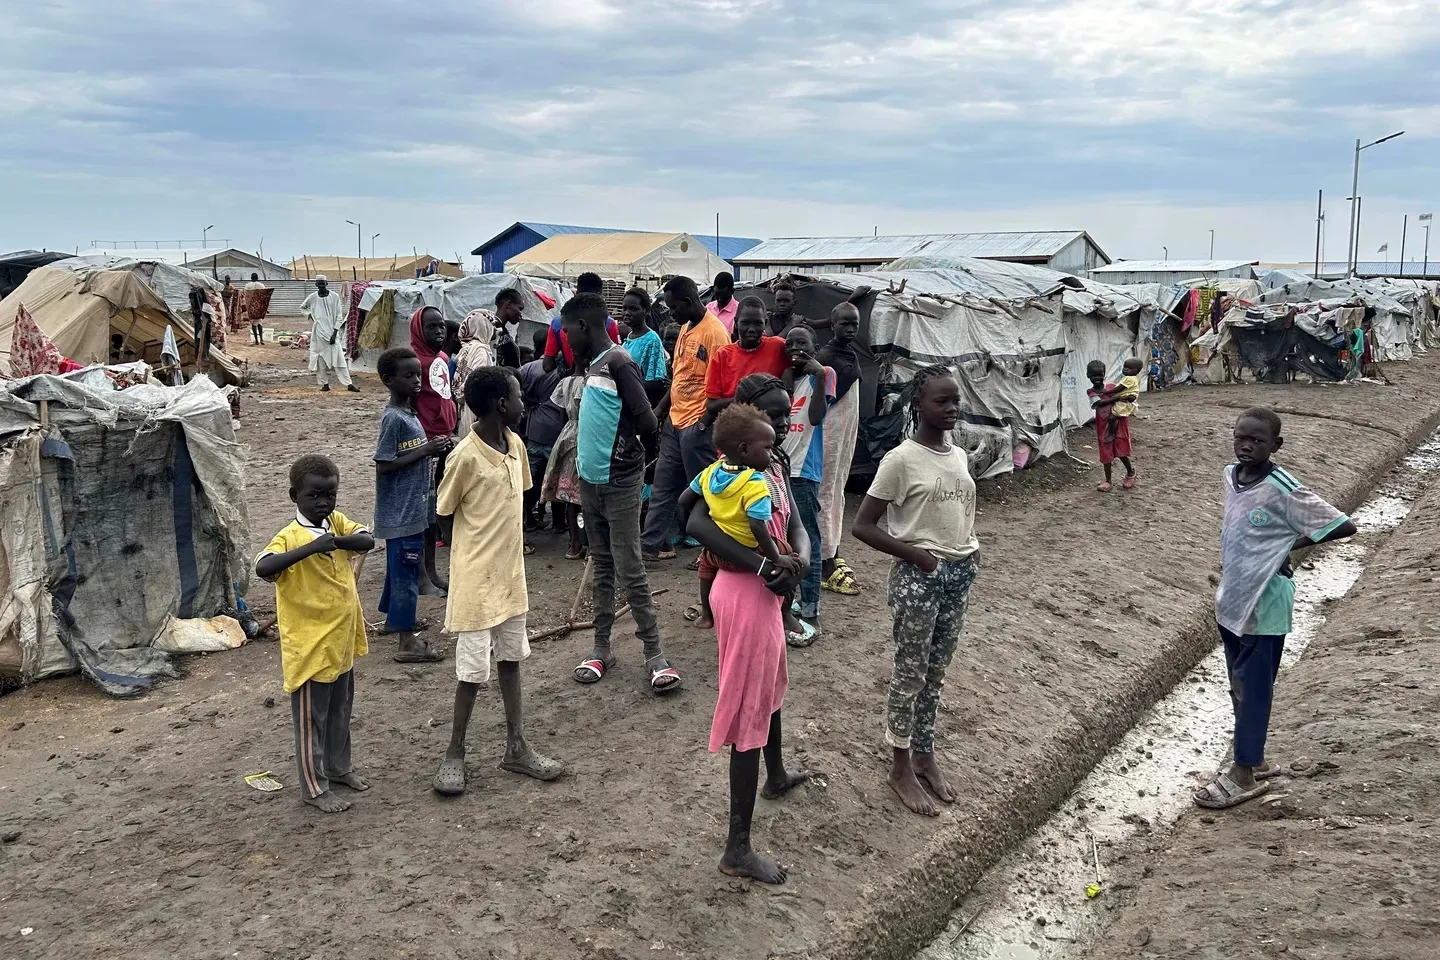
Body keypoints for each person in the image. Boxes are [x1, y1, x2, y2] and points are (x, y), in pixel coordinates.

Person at [681, 375, 813, 883]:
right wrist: (765, 565)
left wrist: (799, 561)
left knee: (771, 687)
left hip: (768, 590)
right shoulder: (727, 472)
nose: (781, 426)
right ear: (746, 425)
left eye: (783, 417)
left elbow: (795, 523)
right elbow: (693, 523)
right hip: (746, 593)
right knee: (748, 714)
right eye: (772, 417)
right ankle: (737, 848)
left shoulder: (771, 465)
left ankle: (775, 775)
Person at [1196, 408, 1357, 809]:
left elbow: (1342, 524)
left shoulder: (1283, 487)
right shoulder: (1230, 475)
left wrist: (1286, 546)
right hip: (1233, 598)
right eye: (1241, 437)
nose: (1247, 446)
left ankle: (1243, 772)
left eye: (1257, 440)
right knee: (1239, 685)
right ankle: (1255, 758)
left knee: (1254, 690)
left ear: (1276, 445)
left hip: (1265, 604)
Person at [852, 365, 980, 817]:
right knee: (910, 673)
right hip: (919, 578)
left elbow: (956, 509)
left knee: (936, 671)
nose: (951, 408)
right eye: (941, 401)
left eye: (955, 400)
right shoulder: (900, 460)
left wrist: (967, 552)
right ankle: (900, 765)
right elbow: (863, 525)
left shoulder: (957, 454)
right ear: (918, 405)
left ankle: (924, 753)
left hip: (959, 572)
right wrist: (918, 556)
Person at [431, 367, 564, 795]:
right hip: (475, 583)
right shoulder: (464, 457)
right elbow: (443, 513)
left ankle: (516, 747)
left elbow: (516, 501)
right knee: (471, 672)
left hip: (509, 577)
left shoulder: (515, 446)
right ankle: (454, 752)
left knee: (511, 659)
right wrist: (466, 557)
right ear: (502, 405)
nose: (524, 403)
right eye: (519, 396)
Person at [562, 294, 680, 693]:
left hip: (620, 482)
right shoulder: (593, 364)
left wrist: (627, 457)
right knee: (602, 565)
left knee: (630, 567)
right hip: (591, 482)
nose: (565, 337)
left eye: (567, 329)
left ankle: (654, 653)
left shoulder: (619, 362)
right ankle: (601, 648)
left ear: (583, 326)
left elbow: (647, 421)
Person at [255, 454, 375, 813]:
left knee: (340, 711)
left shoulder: (336, 523)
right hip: (310, 647)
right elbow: (263, 567)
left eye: (330, 495)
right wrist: (311, 548)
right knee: (311, 721)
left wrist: (334, 542)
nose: (324, 503)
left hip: (341, 641)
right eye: (314, 496)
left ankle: (338, 768)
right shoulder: (289, 537)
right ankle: (313, 787)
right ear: (295, 496)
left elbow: (366, 540)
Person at [679, 402, 801, 629]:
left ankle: (707, 615)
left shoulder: (710, 472)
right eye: (768, 448)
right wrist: (775, 558)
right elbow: (757, 526)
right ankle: (786, 612)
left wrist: (688, 521)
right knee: (790, 556)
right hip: (752, 549)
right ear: (744, 449)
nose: (771, 454)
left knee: (705, 565)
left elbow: (683, 501)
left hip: (720, 553)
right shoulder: (755, 482)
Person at [642, 276, 732, 561]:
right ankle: (650, 546)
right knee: (663, 488)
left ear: (688, 301)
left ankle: (714, 553)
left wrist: (704, 422)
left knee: (706, 492)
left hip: (698, 425)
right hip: (675, 422)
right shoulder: (684, 327)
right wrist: (661, 411)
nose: (671, 313)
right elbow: (680, 376)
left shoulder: (715, 334)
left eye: (673, 308)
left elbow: (722, 386)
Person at [373, 347, 450, 663]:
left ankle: (396, 620)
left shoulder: (409, 413)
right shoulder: (393, 418)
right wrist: (425, 451)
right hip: (400, 513)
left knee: (399, 569)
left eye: (418, 374)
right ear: (388, 380)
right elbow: (383, 464)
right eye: (409, 375)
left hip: (411, 508)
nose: (417, 380)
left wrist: (434, 448)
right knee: (406, 572)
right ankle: (407, 643)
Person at [779, 326, 836, 644]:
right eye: (789, 343)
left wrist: (819, 374)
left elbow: (815, 417)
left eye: (802, 343)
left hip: (804, 471)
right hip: (780, 470)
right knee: (786, 539)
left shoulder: (824, 374)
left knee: (808, 541)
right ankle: (798, 602)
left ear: (815, 347)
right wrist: (788, 378)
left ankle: (811, 611)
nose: (794, 348)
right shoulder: (787, 378)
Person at [410, 306, 459, 591]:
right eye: (431, 326)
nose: (439, 331)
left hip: (445, 439)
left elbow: (443, 396)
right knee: (426, 510)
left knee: (440, 503)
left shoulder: (441, 359)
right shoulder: (413, 363)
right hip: (425, 444)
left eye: (441, 326)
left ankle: (432, 570)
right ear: (419, 330)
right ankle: (424, 573)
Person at [819, 303, 864, 597]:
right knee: (825, 492)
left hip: (845, 435)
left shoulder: (849, 354)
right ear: (832, 325)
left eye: (854, 324)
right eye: (844, 324)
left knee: (836, 489)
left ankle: (832, 547)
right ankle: (825, 562)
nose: (849, 329)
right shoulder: (825, 358)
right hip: (829, 434)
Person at [705, 296, 789, 421]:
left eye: (758, 323)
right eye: (745, 323)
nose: (751, 329)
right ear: (736, 322)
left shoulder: (778, 346)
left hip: (769, 424)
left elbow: (800, 362)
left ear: (765, 323)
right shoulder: (723, 355)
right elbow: (712, 405)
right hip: (736, 423)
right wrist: (748, 398)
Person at [520, 328, 566, 530]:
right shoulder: (564, 369)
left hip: (534, 431)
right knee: (557, 478)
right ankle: (558, 522)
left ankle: (528, 519)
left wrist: (531, 402)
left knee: (530, 479)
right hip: (558, 431)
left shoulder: (527, 369)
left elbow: (517, 391)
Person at [543, 272, 620, 371]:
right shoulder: (608, 322)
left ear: (576, 293)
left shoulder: (557, 323)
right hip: (600, 376)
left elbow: (547, 366)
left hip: (571, 376)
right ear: (600, 295)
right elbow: (613, 358)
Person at [1086, 360, 1137, 492]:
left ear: (1104, 374)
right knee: (1106, 452)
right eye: (1093, 376)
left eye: (1100, 375)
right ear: (1088, 376)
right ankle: (1108, 481)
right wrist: (1116, 398)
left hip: (1119, 422)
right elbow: (1099, 404)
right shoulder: (1091, 392)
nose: (1097, 378)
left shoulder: (1112, 387)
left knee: (1121, 450)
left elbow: (1128, 394)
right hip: (1103, 425)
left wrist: (1130, 397)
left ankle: (1130, 472)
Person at [302, 276, 357, 392]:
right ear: (316, 285)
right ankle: (325, 384)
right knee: (319, 359)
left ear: (327, 283)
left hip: (332, 333)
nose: (321, 286)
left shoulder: (334, 296)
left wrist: (335, 332)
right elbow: (303, 307)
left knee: (339, 359)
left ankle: (349, 384)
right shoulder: (312, 297)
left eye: (323, 283)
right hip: (318, 334)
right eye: (319, 284)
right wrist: (310, 315)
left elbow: (339, 315)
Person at [620, 287, 670, 404]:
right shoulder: (629, 337)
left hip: (641, 402)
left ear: (646, 310)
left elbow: (657, 382)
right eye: (624, 308)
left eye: (633, 309)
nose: (627, 313)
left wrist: (626, 384)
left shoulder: (651, 340)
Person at [452, 309, 497, 437]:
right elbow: (477, 381)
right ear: (484, 326)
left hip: (462, 403)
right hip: (474, 405)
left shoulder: (465, 349)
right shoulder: (481, 351)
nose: (493, 329)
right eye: (491, 325)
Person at [493, 288, 524, 369]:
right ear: (509, 304)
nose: (521, 315)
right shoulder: (489, 331)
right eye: (520, 309)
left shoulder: (503, 332)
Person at [705, 271, 739, 335]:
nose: (720, 300)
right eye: (717, 297)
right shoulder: (708, 308)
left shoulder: (739, 311)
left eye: (724, 298)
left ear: (732, 291)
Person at [244, 272, 267, 345]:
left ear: (251, 278)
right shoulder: (261, 285)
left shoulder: (247, 286)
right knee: (259, 322)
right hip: (259, 306)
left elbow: (245, 296)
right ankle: (261, 339)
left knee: (254, 323)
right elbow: (264, 296)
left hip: (251, 306)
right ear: (257, 278)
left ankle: (257, 340)